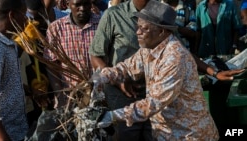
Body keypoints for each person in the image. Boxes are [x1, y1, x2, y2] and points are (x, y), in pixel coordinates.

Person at [92, 1, 219, 140]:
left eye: (144, 29)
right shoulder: (148, 49)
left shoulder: (175, 57)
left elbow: (153, 103)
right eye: (138, 27)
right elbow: (127, 67)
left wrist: (113, 116)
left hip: (188, 134)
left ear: (161, 31)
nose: (137, 32)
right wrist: (101, 77)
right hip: (167, 133)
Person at [89, 0, 154, 140]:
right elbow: (96, 56)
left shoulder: (159, 14)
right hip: (122, 97)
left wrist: (210, 69)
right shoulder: (113, 15)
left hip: (154, 95)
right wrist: (118, 81)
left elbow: (175, 47)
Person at [44, 0, 101, 108]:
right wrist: (60, 94)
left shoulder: (102, 24)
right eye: (78, 5)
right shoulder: (56, 28)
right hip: (70, 98)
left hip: (99, 95)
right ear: (68, 4)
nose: (83, 8)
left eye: (86, 4)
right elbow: (51, 64)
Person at [0, 0, 28, 140]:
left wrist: (28, 91)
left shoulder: (9, 43)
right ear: (12, 15)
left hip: (17, 131)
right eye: (24, 14)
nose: (27, 20)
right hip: (5, 133)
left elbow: (6, 83)